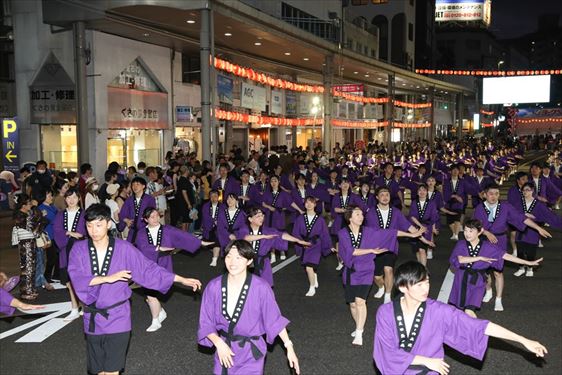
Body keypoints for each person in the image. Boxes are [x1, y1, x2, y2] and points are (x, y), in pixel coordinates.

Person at [68, 204, 202, 375]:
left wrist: (180, 279)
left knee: (112, 370)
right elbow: (76, 277)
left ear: (109, 224)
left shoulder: (123, 248)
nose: (93, 230)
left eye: (98, 224)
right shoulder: (79, 250)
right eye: (89, 225)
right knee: (98, 370)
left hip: (118, 316)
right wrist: (107, 278)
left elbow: (147, 270)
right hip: (93, 317)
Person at [373, 261, 548, 375]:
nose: (425, 288)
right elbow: (386, 352)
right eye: (419, 285)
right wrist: (426, 360)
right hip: (399, 370)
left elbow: (479, 326)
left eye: (426, 282)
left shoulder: (439, 311)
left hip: (429, 371)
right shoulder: (386, 312)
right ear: (403, 287)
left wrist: (523, 340)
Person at [198, 240, 300, 375]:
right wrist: (218, 343)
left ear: (249, 261)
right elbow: (206, 322)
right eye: (229, 256)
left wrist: (289, 347)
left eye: (238, 258)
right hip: (225, 348)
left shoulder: (261, 287)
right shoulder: (214, 286)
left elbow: (274, 319)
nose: (232, 262)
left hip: (251, 352)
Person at [472, 183, 551, 311]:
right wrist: (486, 232)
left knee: (498, 272)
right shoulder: (479, 208)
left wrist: (537, 228)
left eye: (497, 193)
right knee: (484, 272)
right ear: (484, 195)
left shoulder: (505, 207)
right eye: (491, 193)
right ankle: (488, 290)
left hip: (500, 240)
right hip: (483, 241)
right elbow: (473, 225)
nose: (494, 196)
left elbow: (521, 218)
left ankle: (498, 299)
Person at [135, 207, 213, 332]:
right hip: (147, 265)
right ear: (145, 219)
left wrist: (200, 243)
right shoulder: (141, 233)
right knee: (150, 294)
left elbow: (182, 236)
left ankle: (158, 315)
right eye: (152, 217)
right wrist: (158, 248)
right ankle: (157, 317)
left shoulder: (167, 229)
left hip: (163, 263)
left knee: (151, 294)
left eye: (157, 215)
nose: (156, 219)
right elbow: (142, 247)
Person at [449, 219, 542, 317]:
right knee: (458, 311)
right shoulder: (461, 244)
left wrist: (528, 262)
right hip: (461, 280)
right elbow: (460, 260)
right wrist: (479, 258)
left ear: (480, 231)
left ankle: (477, 331)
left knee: (469, 310)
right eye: (465, 230)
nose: (467, 234)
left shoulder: (488, 247)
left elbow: (506, 256)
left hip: (477, 281)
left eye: (471, 231)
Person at [337, 205, 401, 346]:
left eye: (362, 214)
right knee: (353, 305)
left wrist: (411, 234)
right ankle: (358, 325)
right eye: (358, 214)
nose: (362, 217)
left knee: (360, 302)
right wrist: (371, 250)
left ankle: (359, 332)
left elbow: (389, 233)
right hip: (350, 272)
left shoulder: (368, 231)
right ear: (350, 217)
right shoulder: (342, 233)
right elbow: (351, 251)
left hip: (366, 270)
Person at [367, 187, 433, 303]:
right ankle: (381, 287)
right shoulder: (371, 213)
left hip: (390, 246)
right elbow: (378, 232)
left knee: (388, 269)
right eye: (382, 195)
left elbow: (410, 227)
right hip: (375, 247)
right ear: (377, 197)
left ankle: (388, 295)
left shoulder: (396, 212)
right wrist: (410, 235)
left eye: (387, 194)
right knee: (376, 276)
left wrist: (425, 240)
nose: (385, 197)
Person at [239, 207, 310, 287]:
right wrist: (263, 236)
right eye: (258, 216)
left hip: (263, 262)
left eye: (262, 215)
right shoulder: (244, 229)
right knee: (247, 287)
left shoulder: (267, 230)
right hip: (246, 262)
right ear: (250, 219)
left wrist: (298, 241)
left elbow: (282, 235)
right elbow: (246, 238)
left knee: (266, 286)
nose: (261, 218)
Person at [513, 182, 562, 277]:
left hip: (533, 231)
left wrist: (534, 217)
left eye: (528, 190)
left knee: (531, 251)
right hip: (520, 230)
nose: (525, 192)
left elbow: (547, 217)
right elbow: (512, 214)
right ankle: (521, 268)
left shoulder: (539, 204)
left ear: (532, 191)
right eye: (524, 190)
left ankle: (530, 268)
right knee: (520, 251)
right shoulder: (518, 202)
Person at [53, 188, 86, 320]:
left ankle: (83, 305)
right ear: (65, 199)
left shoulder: (84, 214)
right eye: (68, 197)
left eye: (74, 197)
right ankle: (74, 308)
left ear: (79, 198)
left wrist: (75, 234)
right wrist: (71, 234)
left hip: (80, 252)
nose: (71, 200)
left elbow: (84, 232)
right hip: (65, 250)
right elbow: (57, 231)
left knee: (81, 280)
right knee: (69, 281)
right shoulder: (60, 214)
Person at [291, 196, 331, 296]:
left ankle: (312, 287)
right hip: (304, 244)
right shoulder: (300, 218)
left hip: (316, 245)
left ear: (315, 204)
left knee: (309, 267)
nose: (309, 204)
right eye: (306, 202)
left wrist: (328, 246)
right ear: (304, 204)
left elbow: (325, 234)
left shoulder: (320, 219)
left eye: (311, 202)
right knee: (309, 267)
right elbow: (295, 232)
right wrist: (301, 242)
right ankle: (314, 276)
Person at [12, 194, 45, 300]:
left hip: (30, 242)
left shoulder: (25, 214)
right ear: (23, 205)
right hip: (25, 243)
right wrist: (38, 215)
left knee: (31, 266)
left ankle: (30, 288)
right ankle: (25, 291)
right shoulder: (20, 215)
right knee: (27, 267)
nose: (31, 205)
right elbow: (32, 227)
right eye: (29, 203)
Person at [261, 175, 292, 263]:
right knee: (270, 234)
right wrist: (269, 207)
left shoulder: (283, 193)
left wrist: (283, 208)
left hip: (279, 216)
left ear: (279, 182)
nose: (273, 183)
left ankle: (282, 251)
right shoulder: (267, 192)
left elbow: (289, 203)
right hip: (269, 216)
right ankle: (273, 254)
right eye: (271, 181)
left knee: (280, 233)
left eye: (275, 181)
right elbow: (263, 203)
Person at [408, 184, 439, 266]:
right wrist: (420, 226)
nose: (422, 192)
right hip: (414, 228)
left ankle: (424, 269)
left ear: (427, 192)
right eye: (420, 190)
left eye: (424, 190)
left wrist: (434, 228)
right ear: (417, 192)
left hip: (427, 228)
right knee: (417, 250)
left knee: (422, 249)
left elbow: (434, 217)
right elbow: (412, 216)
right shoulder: (414, 202)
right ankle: (420, 267)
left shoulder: (432, 203)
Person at [118, 176, 156, 243]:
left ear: (143, 186)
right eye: (133, 185)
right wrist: (126, 220)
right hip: (133, 231)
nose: (135, 187)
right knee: (131, 250)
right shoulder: (129, 200)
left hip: (146, 230)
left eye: (137, 184)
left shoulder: (150, 199)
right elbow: (122, 213)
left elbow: (152, 214)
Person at [201, 190, 222, 267]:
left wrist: (219, 222)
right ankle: (215, 252)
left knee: (217, 239)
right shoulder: (206, 206)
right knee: (211, 242)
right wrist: (214, 221)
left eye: (215, 196)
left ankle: (214, 259)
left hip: (219, 228)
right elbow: (205, 217)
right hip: (208, 227)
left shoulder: (222, 206)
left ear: (218, 197)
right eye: (212, 196)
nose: (213, 198)